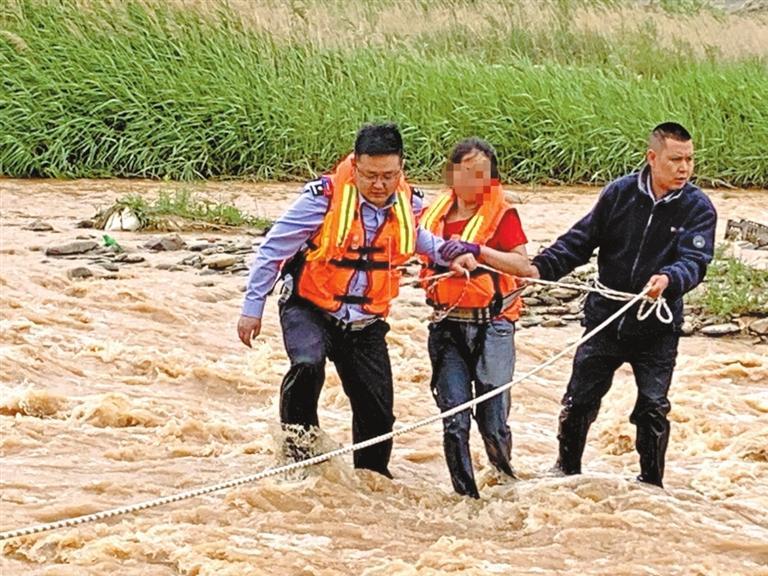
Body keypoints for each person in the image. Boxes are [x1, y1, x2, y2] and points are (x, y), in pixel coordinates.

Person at [237, 123, 476, 478]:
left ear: (400, 169)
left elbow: (419, 239)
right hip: (311, 306)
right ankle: (299, 455)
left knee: (379, 413)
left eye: (388, 176)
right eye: (370, 176)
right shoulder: (322, 198)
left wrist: (449, 254)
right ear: (356, 165)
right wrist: (251, 309)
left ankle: (371, 479)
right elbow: (273, 250)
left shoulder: (408, 203)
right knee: (307, 363)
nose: (379, 185)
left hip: (365, 321)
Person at [531, 122, 717, 487]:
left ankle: (651, 484)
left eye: (690, 160)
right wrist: (539, 269)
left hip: (657, 326)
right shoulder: (618, 194)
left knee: (652, 406)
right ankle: (565, 471)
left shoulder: (698, 208)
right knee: (580, 399)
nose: (684, 168)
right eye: (675, 159)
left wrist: (668, 279)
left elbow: (694, 262)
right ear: (652, 157)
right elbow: (578, 242)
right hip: (606, 319)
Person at [419, 137, 537, 498]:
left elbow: (525, 267)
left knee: (493, 420)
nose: (474, 182)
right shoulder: (431, 216)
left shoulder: (503, 215)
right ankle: (465, 497)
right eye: (466, 173)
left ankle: (505, 484)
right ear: (451, 174)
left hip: (493, 325)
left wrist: (479, 251)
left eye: (482, 175)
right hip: (447, 325)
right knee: (454, 419)